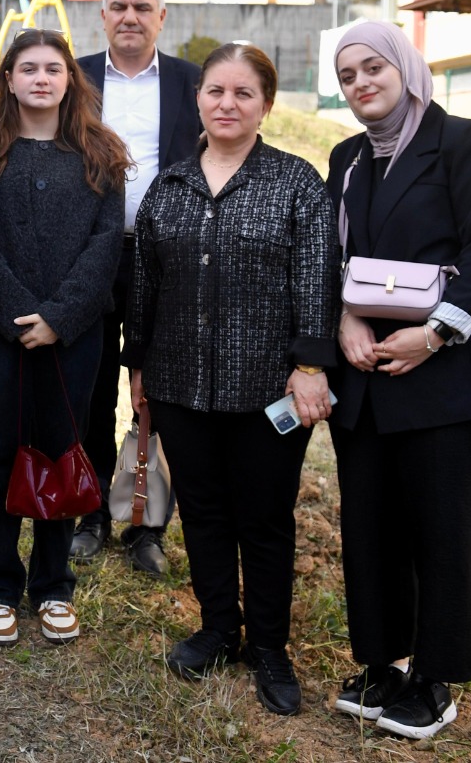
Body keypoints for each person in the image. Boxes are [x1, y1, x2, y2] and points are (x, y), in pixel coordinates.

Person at [125, 43, 337, 716]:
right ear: (198, 99)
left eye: (244, 93)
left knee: (265, 520)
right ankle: (219, 627)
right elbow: (145, 284)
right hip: (179, 384)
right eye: (216, 91)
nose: (227, 103)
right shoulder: (171, 186)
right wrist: (138, 368)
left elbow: (315, 279)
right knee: (206, 513)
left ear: (265, 106)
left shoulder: (296, 182)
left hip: (267, 390)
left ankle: (269, 647)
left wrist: (309, 366)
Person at [326, 22, 471, 740]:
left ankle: (434, 680)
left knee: (441, 531)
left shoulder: (465, 142)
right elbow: (336, 255)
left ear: (404, 67)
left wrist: (436, 331)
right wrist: (343, 318)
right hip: (370, 373)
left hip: (451, 377)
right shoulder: (347, 158)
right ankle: (381, 663)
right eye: (348, 75)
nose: (362, 83)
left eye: (373, 67)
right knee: (370, 526)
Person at [0, 29, 130, 646]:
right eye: (27, 68)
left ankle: (53, 583)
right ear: (8, 79)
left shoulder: (100, 154)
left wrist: (60, 316)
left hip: (75, 335)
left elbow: (107, 244)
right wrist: (17, 313)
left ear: (69, 80)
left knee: (63, 447)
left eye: (53, 69)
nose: (41, 79)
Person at [69, 0, 202, 574]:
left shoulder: (191, 83)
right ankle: (93, 508)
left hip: (168, 258)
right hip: (93, 253)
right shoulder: (75, 77)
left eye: (142, 7)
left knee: (159, 392)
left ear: (161, 17)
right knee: (91, 386)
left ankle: (147, 523)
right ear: (102, 15)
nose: (129, 16)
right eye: (118, 6)